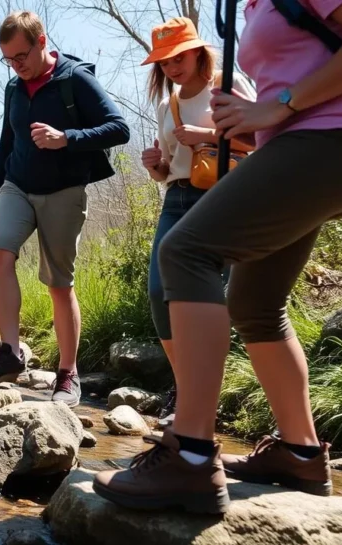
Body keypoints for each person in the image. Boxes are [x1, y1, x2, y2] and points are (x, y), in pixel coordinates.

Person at [93, 0, 342, 515]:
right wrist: (255, 126)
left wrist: (281, 103)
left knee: (187, 251)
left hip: (334, 141)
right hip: (320, 146)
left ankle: (189, 453)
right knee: (256, 302)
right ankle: (299, 453)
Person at [0, 10, 130, 406]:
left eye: (21, 56)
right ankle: (9, 353)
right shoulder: (13, 89)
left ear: (42, 42)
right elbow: (7, 145)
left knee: (59, 284)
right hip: (17, 187)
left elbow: (119, 128)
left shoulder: (75, 79)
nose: (16, 66)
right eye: (9, 59)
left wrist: (66, 138)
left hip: (63, 191)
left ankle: (67, 374)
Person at [139, 18, 256, 428]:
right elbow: (171, 166)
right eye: (164, 61)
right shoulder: (166, 105)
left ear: (198, 51)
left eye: (178, 56)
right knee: (158, 291)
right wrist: (156, 166)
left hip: (223, 196)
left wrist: (206, 135)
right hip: (177, 197)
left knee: (211, 299)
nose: (172, 66)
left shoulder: (228, 85)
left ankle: (205, 394)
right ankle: (187, 384)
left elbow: (262, 139)